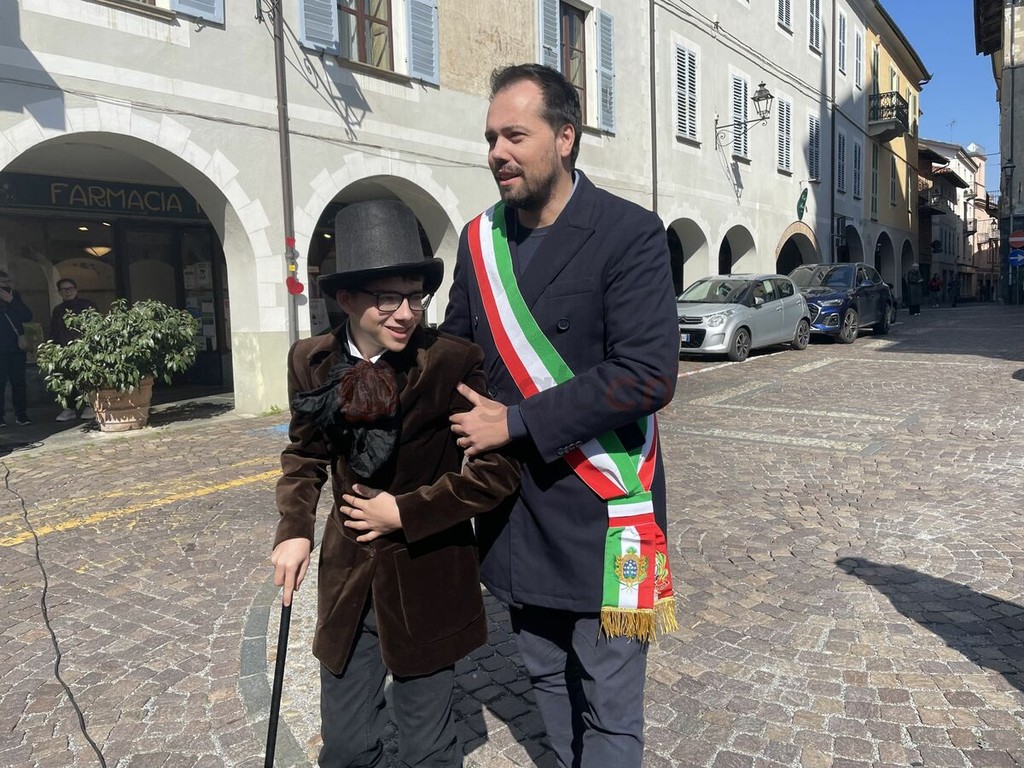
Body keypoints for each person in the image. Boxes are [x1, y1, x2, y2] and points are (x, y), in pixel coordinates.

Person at [442, 63, 679, 768]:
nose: (497, 153)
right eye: (491, 138)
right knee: (545, 677)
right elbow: (456, 360)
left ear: (566, 137)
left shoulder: (629, 232)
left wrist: (514, 423)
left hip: (606, 514)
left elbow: (646, 373)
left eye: (515, 135)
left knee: (610, 708)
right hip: (514, 515)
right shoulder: (478, 242)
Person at [270, 199, 519, 768]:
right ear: (346, 299)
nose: (406, 313)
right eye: (388, 298)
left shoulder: (452, 361)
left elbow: (496, 471)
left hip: (427, 573)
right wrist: (294, 529)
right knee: (346, 745)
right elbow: (305, 454)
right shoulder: (310, 360)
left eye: (415, 296)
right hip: (348, 577)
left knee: (428, 747)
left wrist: (405, 512)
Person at [50, 278, 97, 421]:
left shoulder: (87, 305)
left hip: (85, 349)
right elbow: (54, 331)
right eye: (64, 289)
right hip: (65, 350)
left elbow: (96, 325)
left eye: (70, 288)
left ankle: (89, 406)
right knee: (67, 380)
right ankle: (69, 409)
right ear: (59, 292)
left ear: (76, 289)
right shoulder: (58, 310)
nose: (67, 292)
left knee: (86, 378)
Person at [0, 270, 32, 427]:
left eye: (8, 282)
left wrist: (11, 300)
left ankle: (21, 414)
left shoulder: (15, 297)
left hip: (16, 347)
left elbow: (27, 316)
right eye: (2, 282)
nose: (6, 285)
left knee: (19, 382)